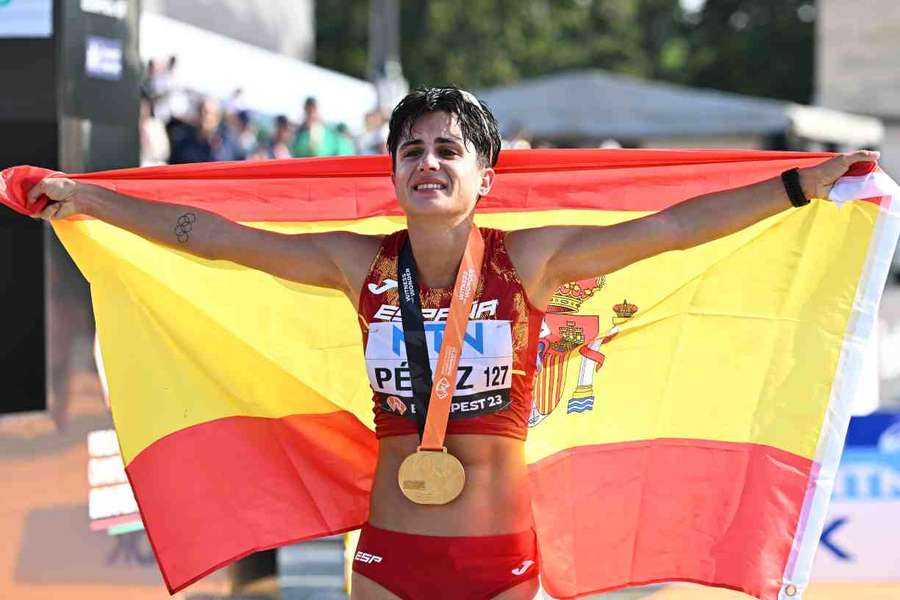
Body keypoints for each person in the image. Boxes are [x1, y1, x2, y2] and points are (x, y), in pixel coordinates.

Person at [25, 87, 877, 599]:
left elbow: (676, 226)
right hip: (390, 562)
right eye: (411, 150)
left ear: (484, 176)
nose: (427, 162)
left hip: (502, 563)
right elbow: (203, 232)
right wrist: (89, 198)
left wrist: (801, 186)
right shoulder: (354, 264)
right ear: (392, 172)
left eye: (447, 149)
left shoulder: (530, 261)